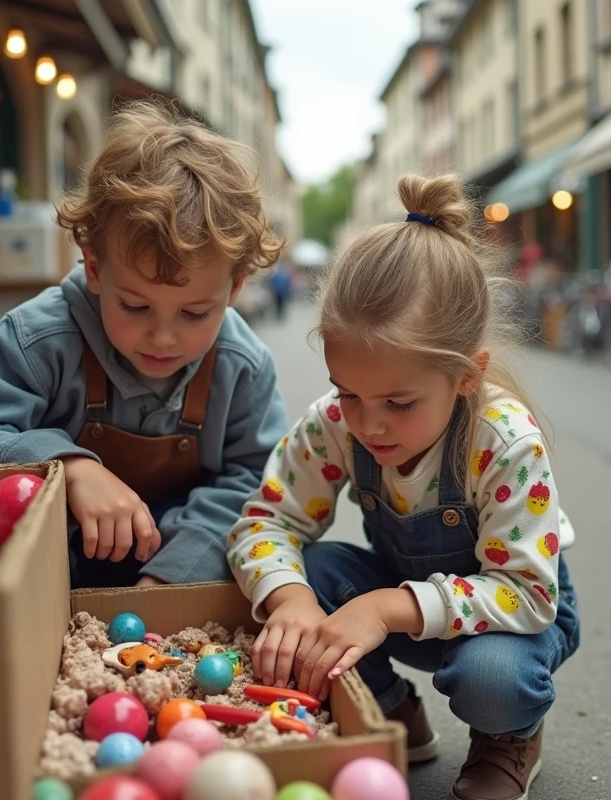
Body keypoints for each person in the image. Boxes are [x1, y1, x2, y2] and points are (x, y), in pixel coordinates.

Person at [226, 174, 580, 800]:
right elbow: (266, 522)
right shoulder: (338, 424)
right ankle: (391, 711)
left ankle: (508, 736)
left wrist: (384, 607)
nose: (369, 423)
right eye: (349, 393)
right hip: (405, 607)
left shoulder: (503, 441)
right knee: (313, 570)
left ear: (466, 376)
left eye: (398, 401)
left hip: (512, 619)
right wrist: (293, 602)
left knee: (492, 678)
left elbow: (526, 594)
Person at [0, 101, 289, 589]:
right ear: (94, 268)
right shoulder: (37, 340)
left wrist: (171, 578)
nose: (162, 337)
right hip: (50, 577)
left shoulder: (243, 366)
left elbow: (254, 485)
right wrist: (68, 467)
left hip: (179, 572)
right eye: (136, 307)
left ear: (236, 288)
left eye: (195, 313)